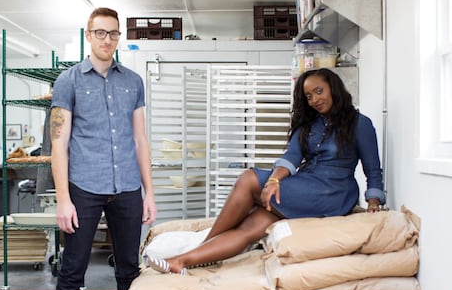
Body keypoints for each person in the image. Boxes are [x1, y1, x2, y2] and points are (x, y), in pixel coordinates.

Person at [145, 68, 385, 275]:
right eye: (308, 96)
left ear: (334, 88)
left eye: (319, 91)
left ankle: (202, 245)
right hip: (305, 185)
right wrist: (275, 180)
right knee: (252, 226)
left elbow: (373, 168)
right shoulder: (309, 125)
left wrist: (373, 202)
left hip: (333, 192)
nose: (314, 99)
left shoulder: (359, 123)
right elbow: (291, 158)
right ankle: (180, 262)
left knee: (249, 178)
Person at [47, 7, 157, 290]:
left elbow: (140, 140)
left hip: (127, 186)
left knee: (129, 269)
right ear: (88, 35)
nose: (106, 39)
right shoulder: (69, 81)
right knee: (72, 269)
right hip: (84, 188)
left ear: (118, 37)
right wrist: (63, 198)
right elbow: (58, 145)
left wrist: (149, 192)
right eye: (100, 33)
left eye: (112, 33)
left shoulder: (133, 82)